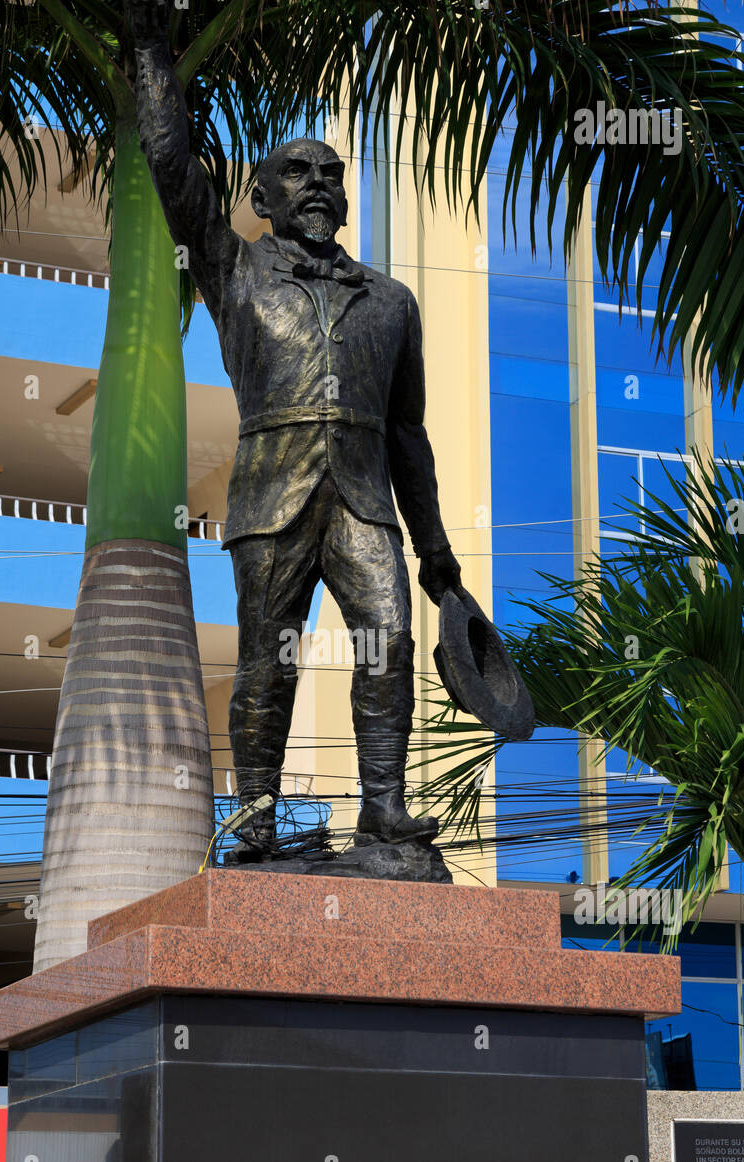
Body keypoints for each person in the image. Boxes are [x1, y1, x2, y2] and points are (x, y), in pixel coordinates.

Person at [129, 2, 461, 853]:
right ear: (260, 196)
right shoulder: (232, 269)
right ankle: (258, 816)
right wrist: (148, 51)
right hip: (272, 499)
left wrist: (436, 553)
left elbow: (409, 436)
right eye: (296, 171)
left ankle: (382, 806)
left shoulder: (392, 301)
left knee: (388, 642)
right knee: (268, 662)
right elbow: (171, 165)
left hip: (364, 503)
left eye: (330, 172)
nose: (317, 182)